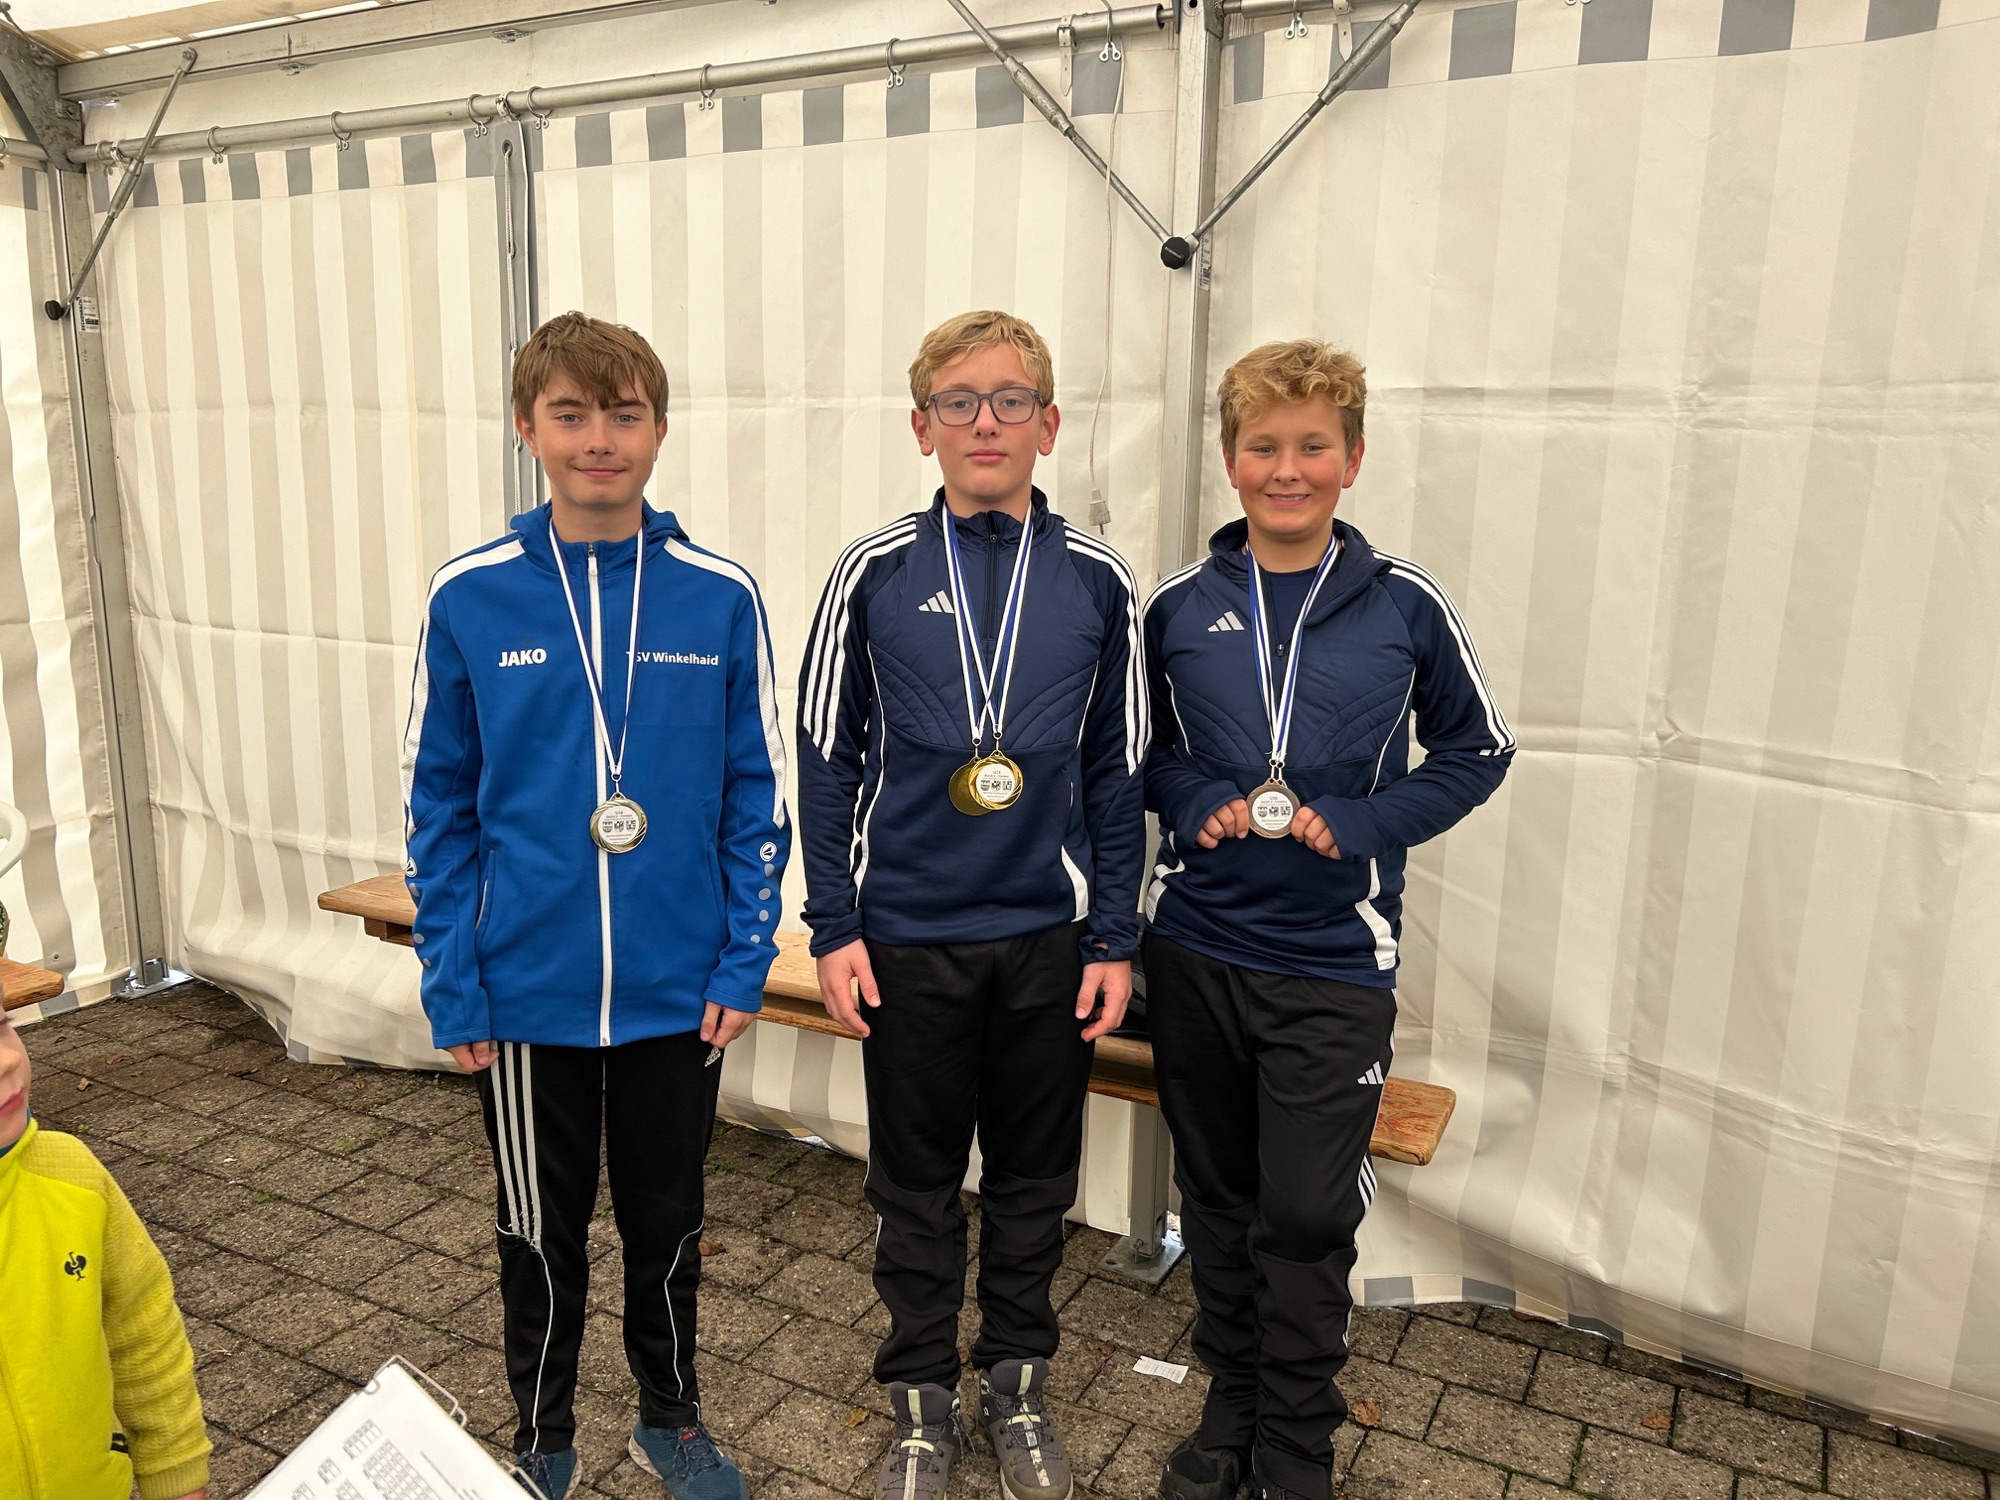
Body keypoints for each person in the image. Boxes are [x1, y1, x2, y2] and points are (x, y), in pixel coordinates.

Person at [402, 311, 789, 1500]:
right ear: (528, 428)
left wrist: (741, 961)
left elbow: (757, 792)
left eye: (623, 414)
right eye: (570, 414)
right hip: (526, 993)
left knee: (669, 1229)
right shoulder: (471, 594)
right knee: (538, 1234)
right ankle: (542, 1431)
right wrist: (454, 982)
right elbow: (437, 804)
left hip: (679, 993)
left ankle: (669, 1419)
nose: (598, 439)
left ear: (659, 429)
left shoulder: (717, 595)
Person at [1141, 340, 1513, 1500]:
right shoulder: (1176, 607)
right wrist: (1193, 797)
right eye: (1263, 446)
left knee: (1303, 1215)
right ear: (1229, 460)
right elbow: (1139, 754)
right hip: (1194, 952)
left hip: (1331, 965)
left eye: (1312, 446)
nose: (1286, 469)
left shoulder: (1404, 604)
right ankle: (1231, 1405)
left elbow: (1476, 749)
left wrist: (1362, 821)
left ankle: (1296, 1445)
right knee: (1216, 1201)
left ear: (1351, 460)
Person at [796, 310, 1147, 1500]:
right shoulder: (872, 572)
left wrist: (1113, 936)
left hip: (1048, 941)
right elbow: (825, 758)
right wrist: (834, 928)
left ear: (1047, 424)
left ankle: (1016, 1383)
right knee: (913, 1183)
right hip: (907, 938)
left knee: (1035, 1181)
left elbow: (1117, 770)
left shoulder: (1097, 579)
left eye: (1008, 400)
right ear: (921, 427)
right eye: (958, 401)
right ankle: (918, 1400)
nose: (983, 422)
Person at [0, 1008, 210, 1500]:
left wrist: (175, 1470)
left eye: (1, 1023)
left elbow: (141, 1327)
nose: (6, 1060)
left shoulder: (71, 1174)